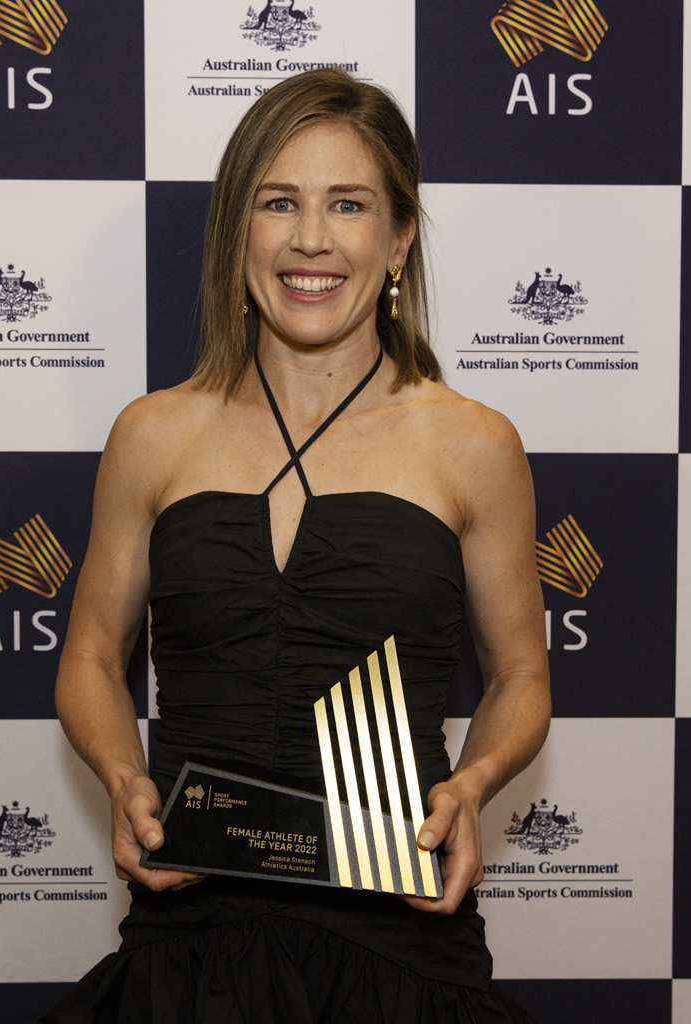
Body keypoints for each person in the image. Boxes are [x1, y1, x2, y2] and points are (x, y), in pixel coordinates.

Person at [44, 67, 550, 1023]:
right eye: (279, 202)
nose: (311, 239)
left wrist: (476, 785)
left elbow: (522, 673)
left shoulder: (474, 444)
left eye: (348, 204)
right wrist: (120, 775)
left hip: (399, 926)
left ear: (397, 238)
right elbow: (90, 656)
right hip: (191, 926)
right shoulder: (153, 434)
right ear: (240, 229)